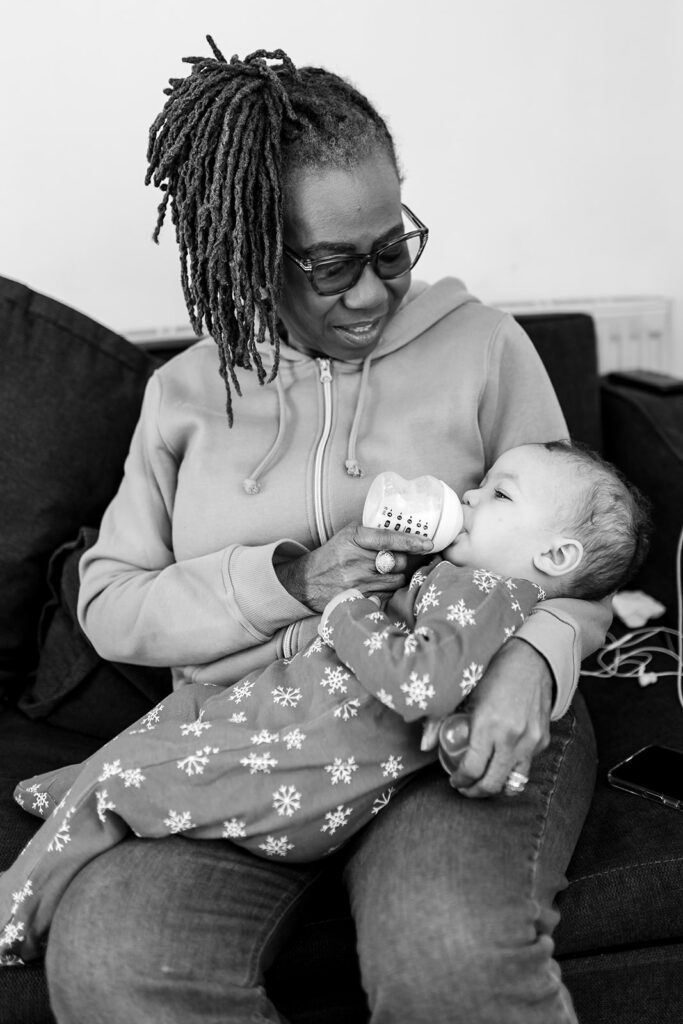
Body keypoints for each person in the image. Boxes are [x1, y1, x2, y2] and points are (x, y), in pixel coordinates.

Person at [38, 39, 615, 1024]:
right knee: (112, 964)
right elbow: (111, 602)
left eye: (392, 247)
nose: (371, 291)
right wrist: (293, 580)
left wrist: (530, 662)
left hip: (449, 722)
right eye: (330, 265)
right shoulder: (182, 396)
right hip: (248, 741)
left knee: (447, 953)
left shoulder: (482, 346)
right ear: (250, 248)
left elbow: (578, 551)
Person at [0, 440, 650, 964]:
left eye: (497, 493)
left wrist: (346, 612)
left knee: (122, 783)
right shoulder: (463, 583)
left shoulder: (483, 591)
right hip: (293, 712)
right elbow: (446, 686)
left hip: (307, 768)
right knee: (177, 716)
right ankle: (84, 787)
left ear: (554, 555)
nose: (469, 494)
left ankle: (13, 922)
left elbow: (422, 683)